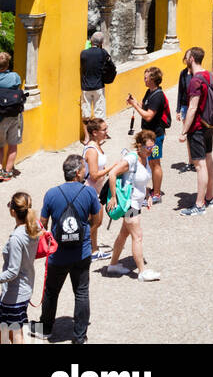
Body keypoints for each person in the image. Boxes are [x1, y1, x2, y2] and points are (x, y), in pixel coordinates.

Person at [38, 154, 102, 344]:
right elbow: (97, 220)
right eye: (83, 169)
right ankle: (80, 336)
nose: (85, 172)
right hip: (81, 253)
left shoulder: (51, 193)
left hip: (57, 255)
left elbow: (42, 224)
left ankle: (46, 328)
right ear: (77, 173)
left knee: (51, 291)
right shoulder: (89, 192)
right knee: (81, 292)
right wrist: (85, 233)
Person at [103, 131, 160, 281]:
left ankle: (113, 265)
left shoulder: (145, 158)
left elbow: (141, 180)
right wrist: (114, 197)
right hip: (130, 204)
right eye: (148, 147)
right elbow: (112, 174)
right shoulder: (131, 159)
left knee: (124, 234)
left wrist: (147, 195)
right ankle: (142, 272)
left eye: (152, 147)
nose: (151, 150)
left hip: (136, 202)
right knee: (137, 236)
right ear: (140, 146)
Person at [178, 47, 213, 218]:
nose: (185, 59)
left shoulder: (195, 80)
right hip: (209, 125)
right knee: (208, 159)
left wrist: (184, 131)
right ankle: (209, 196)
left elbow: (192, 107)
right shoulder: (209, 75)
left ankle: (199, 204)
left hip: (197, 128)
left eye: (186, 57)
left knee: (199, 165)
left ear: (192, 58)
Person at [0, 192, 40, 344]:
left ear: (12, 211)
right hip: (24, 288)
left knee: (16, 335)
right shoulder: (32, 228)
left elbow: (12, 271)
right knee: (5, 331)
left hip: (14, 294)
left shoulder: (17, 237)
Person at [127, 67, 169, 202]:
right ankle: (153, 190)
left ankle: (156, 194)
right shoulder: (149, 92)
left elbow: (148, 116)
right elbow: (145, 107)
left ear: (152, 79)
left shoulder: (158, 96)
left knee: (155, 163)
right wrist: (136, 102)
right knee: (149, 162)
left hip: (155, 137)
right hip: (147, 136)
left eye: (146, 77)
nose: (144, 79)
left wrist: (135, 106)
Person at [81, 118, 112, 261]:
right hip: (90, 191)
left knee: (94, 222)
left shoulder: (97, 145)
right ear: (95, 132)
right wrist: (113, 168)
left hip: (96, 190)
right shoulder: (92, 150)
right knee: (96, 222)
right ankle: (82, 248)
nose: (106, 132)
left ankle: (93, 250)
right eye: (104, 129)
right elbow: (93, 175)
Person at [79, 32, 116, 122]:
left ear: (91, 41)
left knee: (86, 115)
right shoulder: (103, 53)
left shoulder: (83, 53)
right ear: (101, 43)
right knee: (99, 114)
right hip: (98, 86)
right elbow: (111, 65)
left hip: (85, 87)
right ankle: (98, 133)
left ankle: (87, 136)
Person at [0, 51, 25, 181]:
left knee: (0, 145)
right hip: (14, 115)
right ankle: (7, 172)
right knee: (12, 145)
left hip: (0, 117)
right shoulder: (15, 76)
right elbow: (18, 88)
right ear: (8, 64)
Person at [176, 49, 195, 171]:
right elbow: (180, 92)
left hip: (194, 107)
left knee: (196, 134)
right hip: (184, 106)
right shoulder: (183, 73)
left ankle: (198, 160)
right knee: (188, 134)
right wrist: (178, 110)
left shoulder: (197, 74)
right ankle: (191, 161)